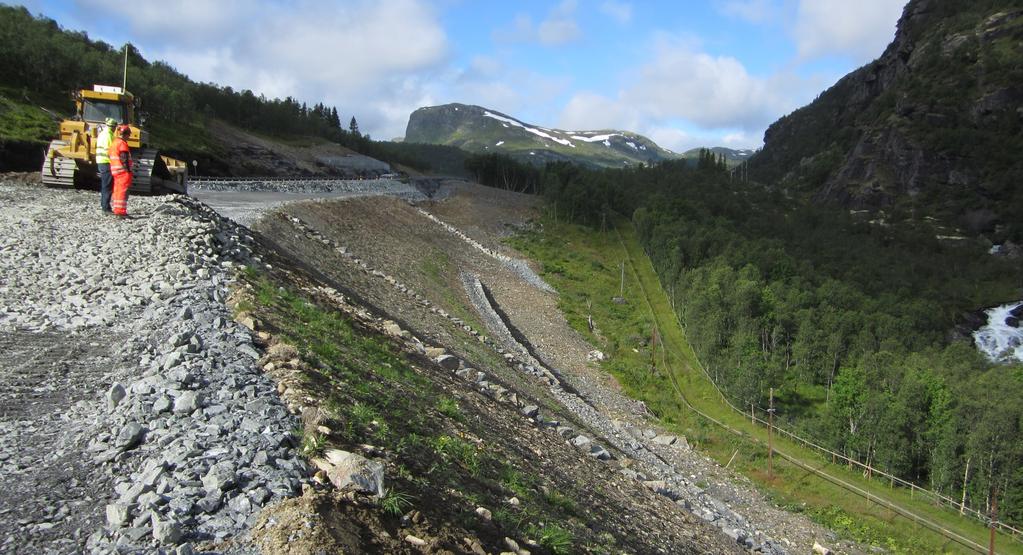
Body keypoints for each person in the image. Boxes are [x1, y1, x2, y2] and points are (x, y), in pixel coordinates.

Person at [109, 125, 133, 217]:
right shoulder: (122, 144)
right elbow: (124, 158)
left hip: (116, 170)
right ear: (126, 134)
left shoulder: (114, 142)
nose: (129, 137)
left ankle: (117, 209)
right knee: (123, 191)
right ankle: (121, 211)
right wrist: (128, 170)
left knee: (117, 190)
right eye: (128, 135)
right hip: (123, 172)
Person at [96, 117, 116, 213]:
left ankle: (105, 205)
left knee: (105, 185)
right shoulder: (109, 135)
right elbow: (110, 151)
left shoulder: (102, 134)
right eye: (115, 127)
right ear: (113, 127)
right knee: (107, 186)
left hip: (101, 161)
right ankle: (106, 207)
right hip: (106, 162)